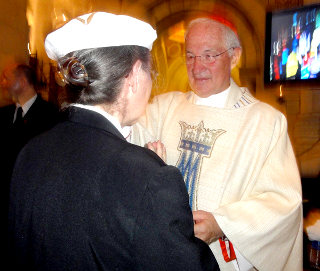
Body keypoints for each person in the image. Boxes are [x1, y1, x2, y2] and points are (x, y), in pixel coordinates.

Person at [8, 12, 219, 271]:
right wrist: (150, 177)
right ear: (133, 77)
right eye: (149, 71)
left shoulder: (31, 151)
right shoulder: (149, 178)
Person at [132, 17, 303, 270]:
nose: (197, 67)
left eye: (209, 55)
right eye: (190, 56)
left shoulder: (266, 122)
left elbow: (283, 202)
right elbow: (121, 134)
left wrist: (222, 224)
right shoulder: (163, 108)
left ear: (235, 57)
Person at [0, 63, 59, 211]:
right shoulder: (3, 114)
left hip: (30, 203)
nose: (2, 83)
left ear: (23, 81)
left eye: (6, 78)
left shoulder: (50, 116)